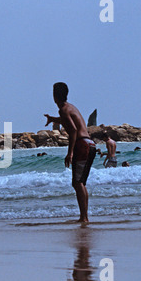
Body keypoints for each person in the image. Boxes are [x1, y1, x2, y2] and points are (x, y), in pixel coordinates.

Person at [44, 82, 96, 223]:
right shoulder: (70, 107)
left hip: (82, 145)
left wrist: (70, 152)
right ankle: (84, 216)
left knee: (77, 183)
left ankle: (84, 218)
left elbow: (72, 130)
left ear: (55, 96)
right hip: (90, 144)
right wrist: (53, 119)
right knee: (80, 183)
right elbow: (69, 121)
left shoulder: (63, 109)